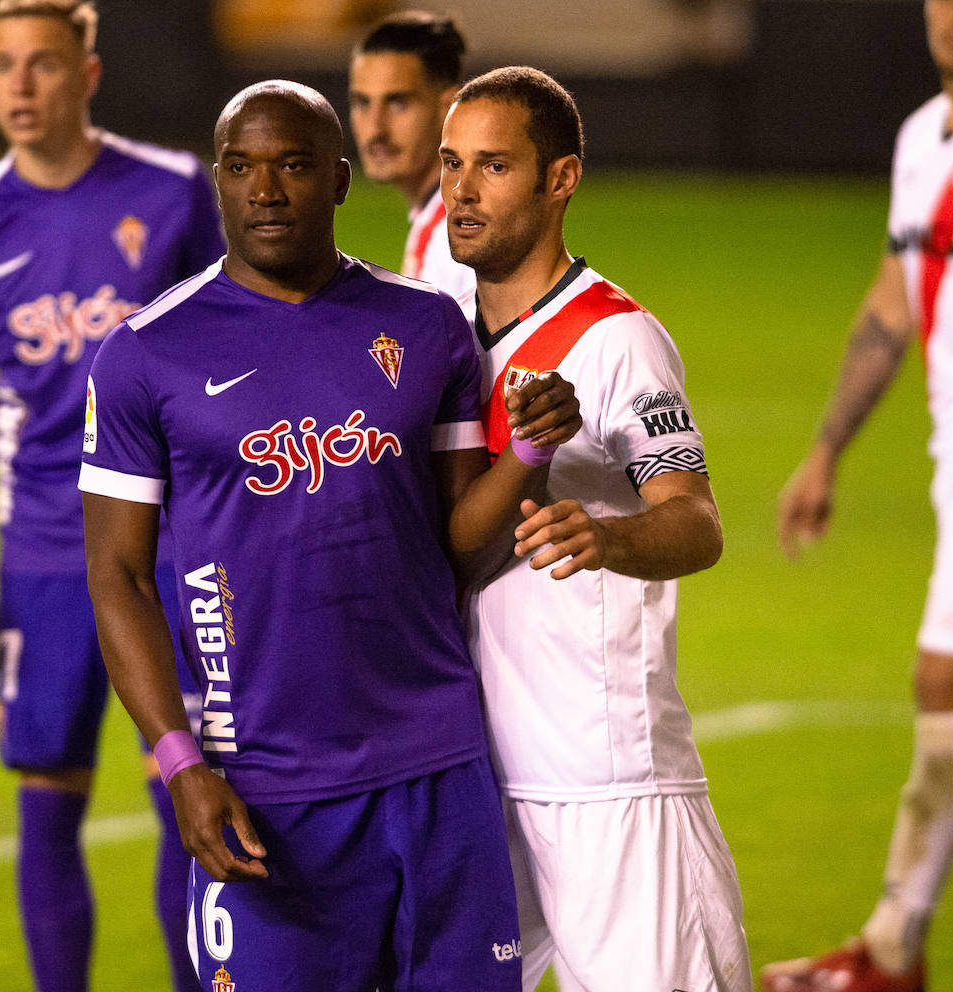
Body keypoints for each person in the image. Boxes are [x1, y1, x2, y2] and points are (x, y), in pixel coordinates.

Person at [77, 79, 581, 992]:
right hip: (265, 785)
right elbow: (119, 578)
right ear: (219, 182)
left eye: (294, 166)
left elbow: (461, 541)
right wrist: (178, 762)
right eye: (242, 168)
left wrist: (533, 449)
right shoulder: (146, 355)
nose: (266, 190)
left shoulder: (426, 325)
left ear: (340, 181)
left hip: (438, 771)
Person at [0, 2, 223, 990]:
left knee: (189, 783)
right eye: (2, 64)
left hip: (172, 544)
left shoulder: (173, 195)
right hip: (45, 550)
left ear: (86, 74)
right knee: (47, 792)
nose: (20, 85)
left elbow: (228, 349)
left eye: (42, 65)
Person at [440, 66, 753, 992]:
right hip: (477, 771)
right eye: (452, 165)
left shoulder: (615, 340)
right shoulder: (447, 342)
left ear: (561, 178)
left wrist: (608, 539)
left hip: (606, 779)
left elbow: (695, 520)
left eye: (493, 166)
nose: (462, 190)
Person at [764, 1, 953, 990]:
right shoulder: (922, 137)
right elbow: (893, 296)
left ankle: (889, 946)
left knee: (945, 673)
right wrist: (828, 446)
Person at [349, 11, 477, 313]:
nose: (375, 128)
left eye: (398, 103)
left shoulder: (455, 237)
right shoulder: (441, 220)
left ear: (448, 108)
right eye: (362, 103)